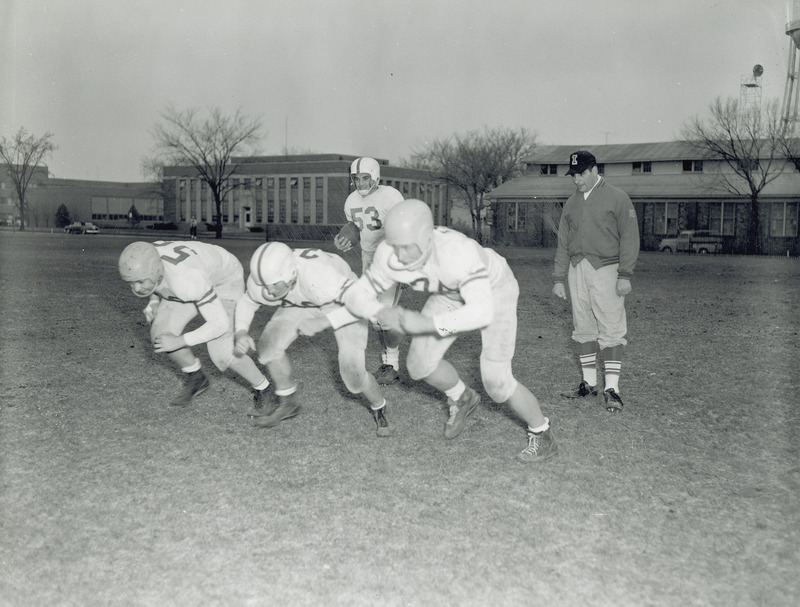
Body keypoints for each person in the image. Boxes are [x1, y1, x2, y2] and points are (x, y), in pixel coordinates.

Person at [342, 199, 557, 463]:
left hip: (494, 292)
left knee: (497, 383)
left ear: (426, 238)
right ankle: (462, 397)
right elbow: (357, 294)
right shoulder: (390, 252)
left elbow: (481, 312)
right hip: (450, 293)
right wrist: (377, 311)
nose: (399, 256)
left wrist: (427, 325)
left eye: (406, 247)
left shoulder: (457, 253)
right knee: (419, 364)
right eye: (395, 246)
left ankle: (542, 431)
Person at [234, 242, 391, 436]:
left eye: (274, 284)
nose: (270, 291)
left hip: (341, 304)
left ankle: (379, 406)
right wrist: (241, 331)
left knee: (353, 376)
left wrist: (323, 321)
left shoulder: (320, 275)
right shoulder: (267, 280)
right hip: (301, 300)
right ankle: (288, 402)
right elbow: (248, 301)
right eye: (265, 285)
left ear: (290, 274)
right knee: (268, 348)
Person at [118, 240, 270, 409]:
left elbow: (220, 324)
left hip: (224, 279)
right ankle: (196, 377)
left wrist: (180, 340)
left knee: (222, 354)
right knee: (161, 336)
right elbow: (155, 278)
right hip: (193, 275)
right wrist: (154, 299)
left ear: (156, 270)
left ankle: (265, 389)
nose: (137, 288)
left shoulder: (186, 281)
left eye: (140, 282)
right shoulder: (147, 256)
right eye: (132, 283)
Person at [553, 150, 640, 413]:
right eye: (573, 175)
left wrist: (625, 274)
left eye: (581, 174)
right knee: (583, 328)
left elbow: (630, 238)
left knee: (611, 328)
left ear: (594, 170)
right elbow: (563, 243)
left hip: (607, 268)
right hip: (577, 268)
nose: (576, 180)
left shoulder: (617, 197)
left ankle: (612, 389)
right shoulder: (571, 202)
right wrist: (558, 278)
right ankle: (589, 383)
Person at [334, 157, 405, 385]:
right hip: (368, 260)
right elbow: (356, 230)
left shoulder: (390, 196)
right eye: (357, 178)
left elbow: (406, 228)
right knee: (375, 317)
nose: (361, 183)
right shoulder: (350, 200)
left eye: (365, 178)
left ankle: (393, 364)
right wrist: (346, 239)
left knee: (384, 314)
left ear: (375, 177)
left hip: (390, 259)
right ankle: (387, 361)